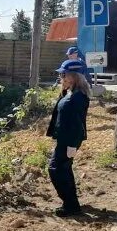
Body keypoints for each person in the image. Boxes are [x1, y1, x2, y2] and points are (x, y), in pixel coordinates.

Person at [46, 59, 90, 217]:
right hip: (64, 139)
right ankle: (71, 202)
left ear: (74, 76)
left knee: (55, 169)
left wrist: (71, 146)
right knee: (63, 169)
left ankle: (71, 205)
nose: (61, 77)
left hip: (69, 141)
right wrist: (63, 89)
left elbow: (77, 124)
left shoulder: (78, 98)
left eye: (64, 74)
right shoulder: (70, 93)